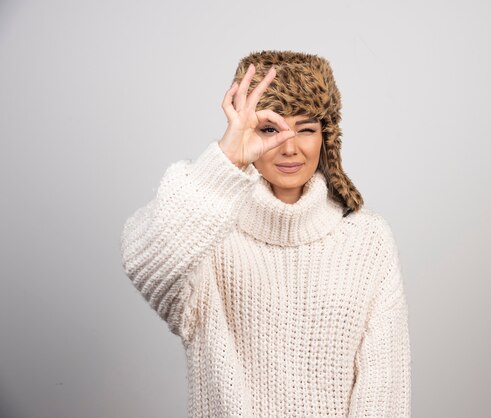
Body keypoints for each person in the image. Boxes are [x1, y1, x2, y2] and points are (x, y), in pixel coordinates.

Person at [120, 50, 411, 417]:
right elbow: (145, 257)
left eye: (306, 129)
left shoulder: (367, 239)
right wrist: (228, 157)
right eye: (270, 129)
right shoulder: (207, 236)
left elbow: (383, 389)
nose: (289, 147)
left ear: (327, 137)